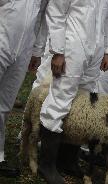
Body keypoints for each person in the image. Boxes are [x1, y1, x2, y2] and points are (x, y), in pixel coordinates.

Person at [38, 1, 108, 183]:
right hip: (73, 43)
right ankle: (47, 163)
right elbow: (56, 11)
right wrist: (58, 50)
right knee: (60, 99)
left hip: (97, 47)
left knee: (81, 104)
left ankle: (67, 160)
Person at [0, 0, 45, 177]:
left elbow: (41, 15)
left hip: (24, 46)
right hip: (2, 36)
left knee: (4, 105)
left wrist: (37, 50)